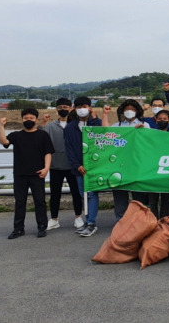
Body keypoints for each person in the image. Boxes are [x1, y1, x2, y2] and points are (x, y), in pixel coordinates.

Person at [0, 109, 54, 239]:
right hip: (20, 174)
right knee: (19, 202)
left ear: (36, 119)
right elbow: (4, 141)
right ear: (22, 119)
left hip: (37, 174)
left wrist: (46, 168)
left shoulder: (43, 135)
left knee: (40, 201)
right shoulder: (16, 135)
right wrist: (1, 126)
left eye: (31, 118)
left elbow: (48, 153)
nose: (28, 120)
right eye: (26, 118)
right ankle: (18, 229)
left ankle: (42, 227)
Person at [103, 99, 151, 220]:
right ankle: (121, 222)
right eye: (127, 109)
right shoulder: (117, 126)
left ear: (137, 111)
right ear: (122, 111)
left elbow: (149, 143)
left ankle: (140, 222)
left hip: (137, 166)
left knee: (139, 197)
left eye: (133, 109)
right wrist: (105, 115)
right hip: (119, 166)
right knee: (120, 196)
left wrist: (142, 131)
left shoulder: (144, 125)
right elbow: (105, 133)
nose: (130, 111)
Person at [43, 98, 84, 231]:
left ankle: (78, 217)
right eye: (60, 107)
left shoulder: (76, 125)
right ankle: (54, 219)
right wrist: (43, 122)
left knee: (76, 193)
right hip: (56, 166)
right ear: (56, 109)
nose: (63, 109)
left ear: (71, 108)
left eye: (66, 107)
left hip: (73, 166)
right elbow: (39, 136)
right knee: (55, 194)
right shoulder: (50, 126)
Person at [64, 96, 102, 237]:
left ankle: (91, 222)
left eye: (84, 106)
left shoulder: (97, 124)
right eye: (79, 107)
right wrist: (77, 165)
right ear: (75, 109)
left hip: (95, 167)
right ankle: (87, 221)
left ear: (90, 108)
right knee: (82, 194)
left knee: (91, 194)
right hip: (79, 168)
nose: (82, 109)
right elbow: (69, 148)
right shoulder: (70, 128)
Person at [148, 109, 169, 218]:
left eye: (164, 119)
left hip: (167, 171)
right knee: (152, 200)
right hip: (153, 171)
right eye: (159, 119)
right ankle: (153, 222)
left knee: (166, 199)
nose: (162, 120)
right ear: (155, 121)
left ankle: (164, 221)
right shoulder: (151, 135)